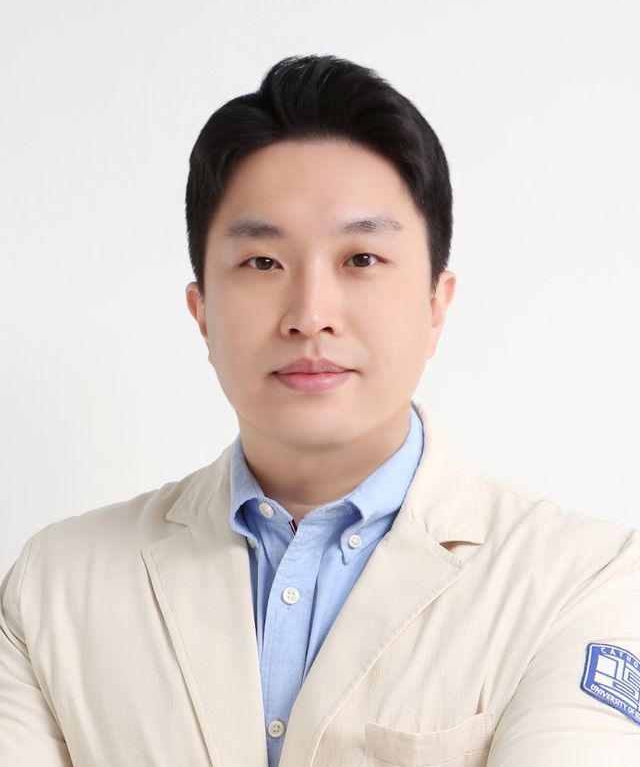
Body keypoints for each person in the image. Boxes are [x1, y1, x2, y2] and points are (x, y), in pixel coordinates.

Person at [1, 54, 639, 767]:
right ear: (202, 312)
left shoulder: (585, 579)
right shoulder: (55, 584)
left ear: (436, 305)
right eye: (263, 262)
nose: (310, 314)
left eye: (360, 259)